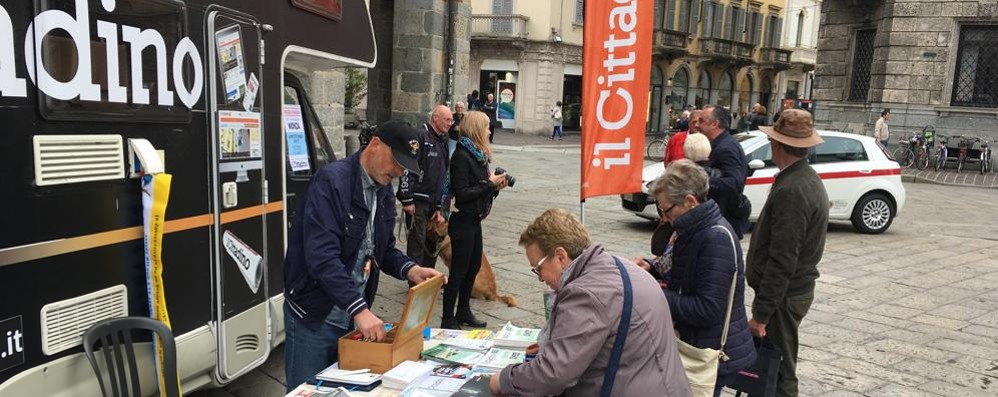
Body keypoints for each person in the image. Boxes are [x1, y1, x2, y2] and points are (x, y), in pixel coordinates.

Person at [282, 121, 443, 391]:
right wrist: (359, 309)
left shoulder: (383, 191)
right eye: (397, 161)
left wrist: (409, 269)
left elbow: (384, 249)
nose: (399, 171)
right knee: (306, 391)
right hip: (315, 315)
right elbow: (322, 257)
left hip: (351, 316)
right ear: (375, 145)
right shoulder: (332, 182)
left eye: (405, 166)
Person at [490, 208, 692, 397]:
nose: (540, 278)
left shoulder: (585, 293)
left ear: (560, 256)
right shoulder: (617, 265)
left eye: (538, 268)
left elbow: (553, 373)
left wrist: (504, 380)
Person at [648, 160, 757, 396]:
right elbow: (682, 274)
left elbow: (707, 309)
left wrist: (653, 292)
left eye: (666, 210)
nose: (664, 218)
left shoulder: (714, 238)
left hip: (709, 352)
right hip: (696, 343)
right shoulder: (692, 229)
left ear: (690, 201)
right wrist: (650, 269)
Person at [747, 109, 829, 397]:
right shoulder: (798, 178)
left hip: (784, 296)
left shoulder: (794, 188)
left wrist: (762, 314)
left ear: (778, 144)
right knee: (777, 364)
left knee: (778, 369)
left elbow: (783, 259)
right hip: (788, 293)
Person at [442, 111, 508, 329]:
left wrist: (495, 187)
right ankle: (447, 318)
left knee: (472, 267)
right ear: (478, 129)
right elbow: (461, 194)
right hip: (462, 222)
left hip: (474, 221)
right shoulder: (461, 156)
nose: (490, 131)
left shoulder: (479, 156)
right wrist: (489, 183)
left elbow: (480, 192)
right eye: (487, 127)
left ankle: (463, 311)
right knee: (459, 271)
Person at [398, 105, 453, 277]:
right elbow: (407, 166)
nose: (450, 124)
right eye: (447, 120)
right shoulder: (419, 136)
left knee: (433, 241)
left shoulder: (443, 141)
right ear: (435, 118)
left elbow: (444, 173)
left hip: (433, 201)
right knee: (417, 240)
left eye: (451, 120)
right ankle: (414, 279)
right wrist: (407, 199)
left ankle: (428, 276)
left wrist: (439, 206)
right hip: (418, 200)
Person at [699, 105, 749, 239]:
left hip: (724, 222)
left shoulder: (726, 148)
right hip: (718, 220)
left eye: (702, 121)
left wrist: (702, 181)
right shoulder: (719, 144)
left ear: (715, 124)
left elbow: (735, 183)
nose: (697, 125)